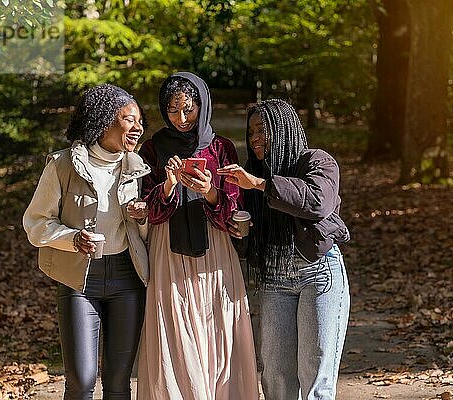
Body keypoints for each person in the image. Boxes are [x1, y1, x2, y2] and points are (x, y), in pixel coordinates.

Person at [23, 84, 151, 400]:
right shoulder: (62, 165)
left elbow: (149, 234)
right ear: (105, 121)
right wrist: (73, 239)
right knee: (81, 380)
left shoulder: (138, 168)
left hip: (127, 278)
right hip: (78, 281)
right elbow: (35, 224)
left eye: (140, 121)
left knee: (119, 382)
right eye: (129, 120)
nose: (138, 128)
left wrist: (143, 218)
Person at [136, 72, 259, 400]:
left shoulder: (221, 148)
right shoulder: (152, 149)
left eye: (188, 109)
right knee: (176, 339)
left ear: (202, 106)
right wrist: (169, 185)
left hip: (215, 254)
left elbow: (234, 209)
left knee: (217, 332)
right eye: (173, 110)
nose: (181, 119)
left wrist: (209, 193)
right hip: (169, 254)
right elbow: (149, 209)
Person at [218, 99, 351, 400]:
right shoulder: (252, 175)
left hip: (318, 274)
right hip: (275, 280)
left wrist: (261, 185)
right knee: (276, 377)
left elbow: (318, 202)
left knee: (314, 376)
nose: (253, 138)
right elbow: (251, 244)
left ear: (283, 128)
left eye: (261, 129)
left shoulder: (318, 162)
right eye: (250, 132)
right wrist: (242, 233)